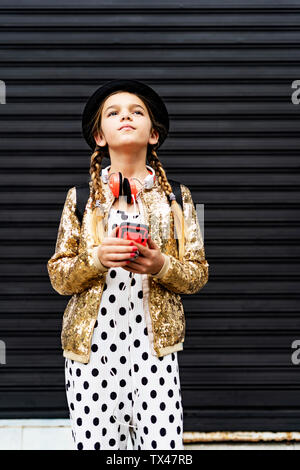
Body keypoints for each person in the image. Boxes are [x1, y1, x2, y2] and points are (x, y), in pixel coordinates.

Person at [47, 79, 209, 450]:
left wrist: (161, 265)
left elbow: (198, 273)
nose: (126, 117)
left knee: (162, 448)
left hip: (156, 349)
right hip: (92, 350)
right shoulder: (82, 197)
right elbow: (59, 274)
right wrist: (96, 259)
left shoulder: (177, 200)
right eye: (113, 112)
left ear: (154, 134)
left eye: (137, 112)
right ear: (99, 136)